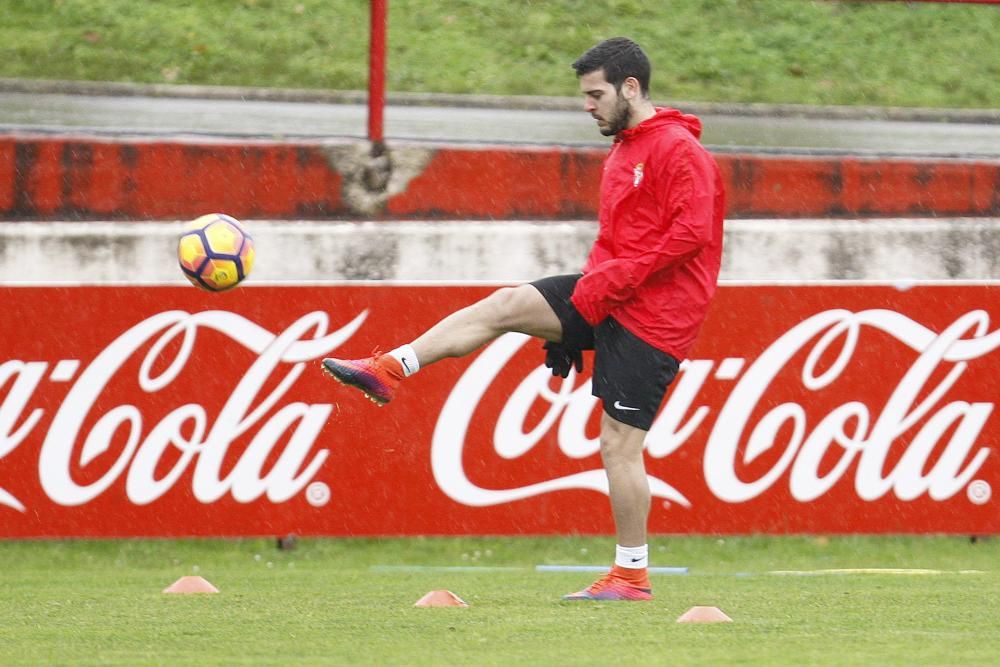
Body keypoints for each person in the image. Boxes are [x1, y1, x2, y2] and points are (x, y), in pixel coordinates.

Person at [321, 37, 725, 601]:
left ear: (631, 88)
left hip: (655, 320)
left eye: (596, 94)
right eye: (586, 95)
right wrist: (576, 319)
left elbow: (691, 236)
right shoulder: (625, 150)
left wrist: (609, 287)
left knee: (617, 446)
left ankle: (631, 575)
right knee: (509, 305)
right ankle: (390, 367)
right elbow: (615, 244)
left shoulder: (678, 148)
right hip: (609, 296)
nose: (589, 106)